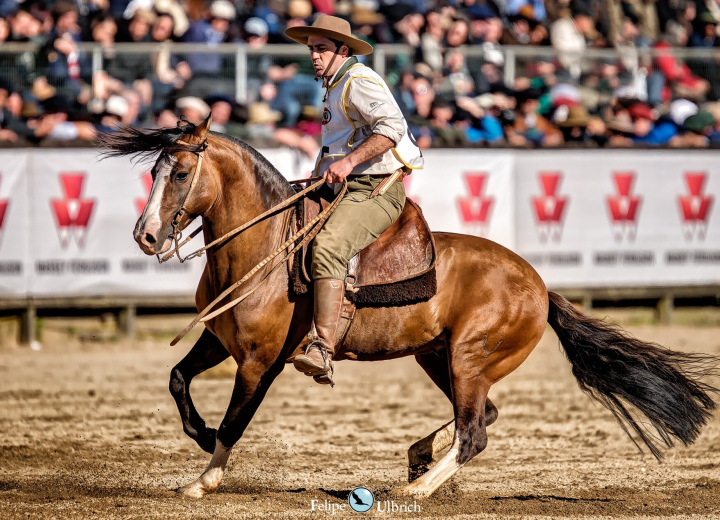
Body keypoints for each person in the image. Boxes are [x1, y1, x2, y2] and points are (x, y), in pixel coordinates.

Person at [284, 15, 423, 385]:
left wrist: (348, 162)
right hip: (346, 187)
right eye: (311, 48)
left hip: (376, 188)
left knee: (327, 246)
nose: (313, 55)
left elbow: (392, 129)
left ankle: (323, 348)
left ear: (342, 50)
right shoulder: (334, 83)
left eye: (321, 48)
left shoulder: (359, 81)